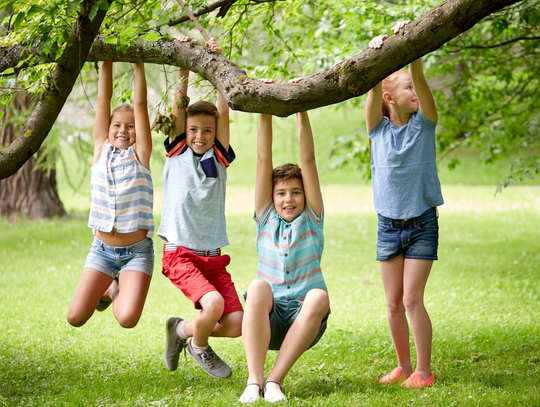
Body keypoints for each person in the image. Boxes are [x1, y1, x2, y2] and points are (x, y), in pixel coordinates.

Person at [239, 78, 331, 403]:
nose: (288, 199)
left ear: (306, 196)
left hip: (305, 320)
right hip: (270, 315)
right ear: (272, 197)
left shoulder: (312, 218)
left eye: (295, 192)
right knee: (258, 285)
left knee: (319, 295)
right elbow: (263, 160)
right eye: (281, 193)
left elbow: (309, 162)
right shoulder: (265, 218)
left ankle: (274, 382)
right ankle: (254, 381)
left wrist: (300, 109)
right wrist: (265, 107)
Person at [365, 20, 444, 388]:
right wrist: (377, 55)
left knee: (412, 299)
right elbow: (369, 86)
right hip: (388, 226)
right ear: (389, 97)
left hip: (421, 224)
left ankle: (423, 372)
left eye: (414, 85)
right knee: (393, 303)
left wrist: (411, 52)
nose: (415, 91)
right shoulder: (377, 130)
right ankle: (402, 365)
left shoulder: (423, 124)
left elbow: (423, 86)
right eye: (406, 88)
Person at [160, 36, 243, 380]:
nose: (200, 135)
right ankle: (199, 346)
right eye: (194, 129)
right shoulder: (178, 151)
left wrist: (218, 62)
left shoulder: (219, 157)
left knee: (236, 323)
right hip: (180, 252)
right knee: (214, 306)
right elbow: (181, 105)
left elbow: (223, 111)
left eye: (207, 131)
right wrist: (185, 63)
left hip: (212, 255)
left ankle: (181, 331)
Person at [67, 61, 154, 329]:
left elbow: (140, 105)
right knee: (76, 318)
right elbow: (103, 99)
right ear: (108, 127)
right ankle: (110, 286)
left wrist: (139, 64)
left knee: (127, 319)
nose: (122, 131)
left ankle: (114, 289)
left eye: (130, 127)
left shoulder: (141, 155)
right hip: (101, 251)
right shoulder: (100, 149)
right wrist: (106, 61)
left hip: (136, 253)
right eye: (117, 125)